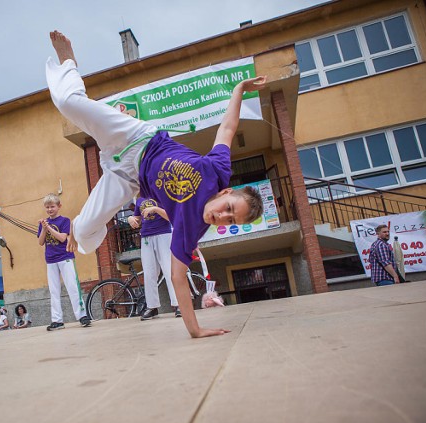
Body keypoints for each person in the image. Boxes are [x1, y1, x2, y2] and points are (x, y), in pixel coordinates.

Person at [46, 31, 265, 338]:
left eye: (231, 221)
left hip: (128, 179)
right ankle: (68, 62)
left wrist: (196, 330)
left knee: (80, 233)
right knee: (68, 102)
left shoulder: (191, 229)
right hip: (135, 137)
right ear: (226, 193)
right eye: (229, 208)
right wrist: (239, 89)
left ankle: (91, 225)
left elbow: (177, 278)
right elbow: (228, 127)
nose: (223, 217)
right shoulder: (217, 170)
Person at [37, 193, 91, 331]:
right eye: (47, 207)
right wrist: (44, 228)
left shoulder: (65, 221)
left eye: (52, 206)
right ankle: (57, 320)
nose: (50, 209)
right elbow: (40, 241)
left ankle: (82, 316)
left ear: (59, 206)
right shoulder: (43, 224)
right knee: (54, 291)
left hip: (65, 257)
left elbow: (62, 238)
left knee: (73, 287)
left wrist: (48, 227)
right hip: (50, 260)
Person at [128, 197, 180, 320]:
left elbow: (172, 216)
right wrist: (131, 219)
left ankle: (178, 304)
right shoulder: (140, 199)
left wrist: (155, 209)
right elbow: (138, 219)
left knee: (169, 270)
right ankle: (152, 307)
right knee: (149, 273)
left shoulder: (161, 193)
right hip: (146, 237)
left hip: (164, 234)